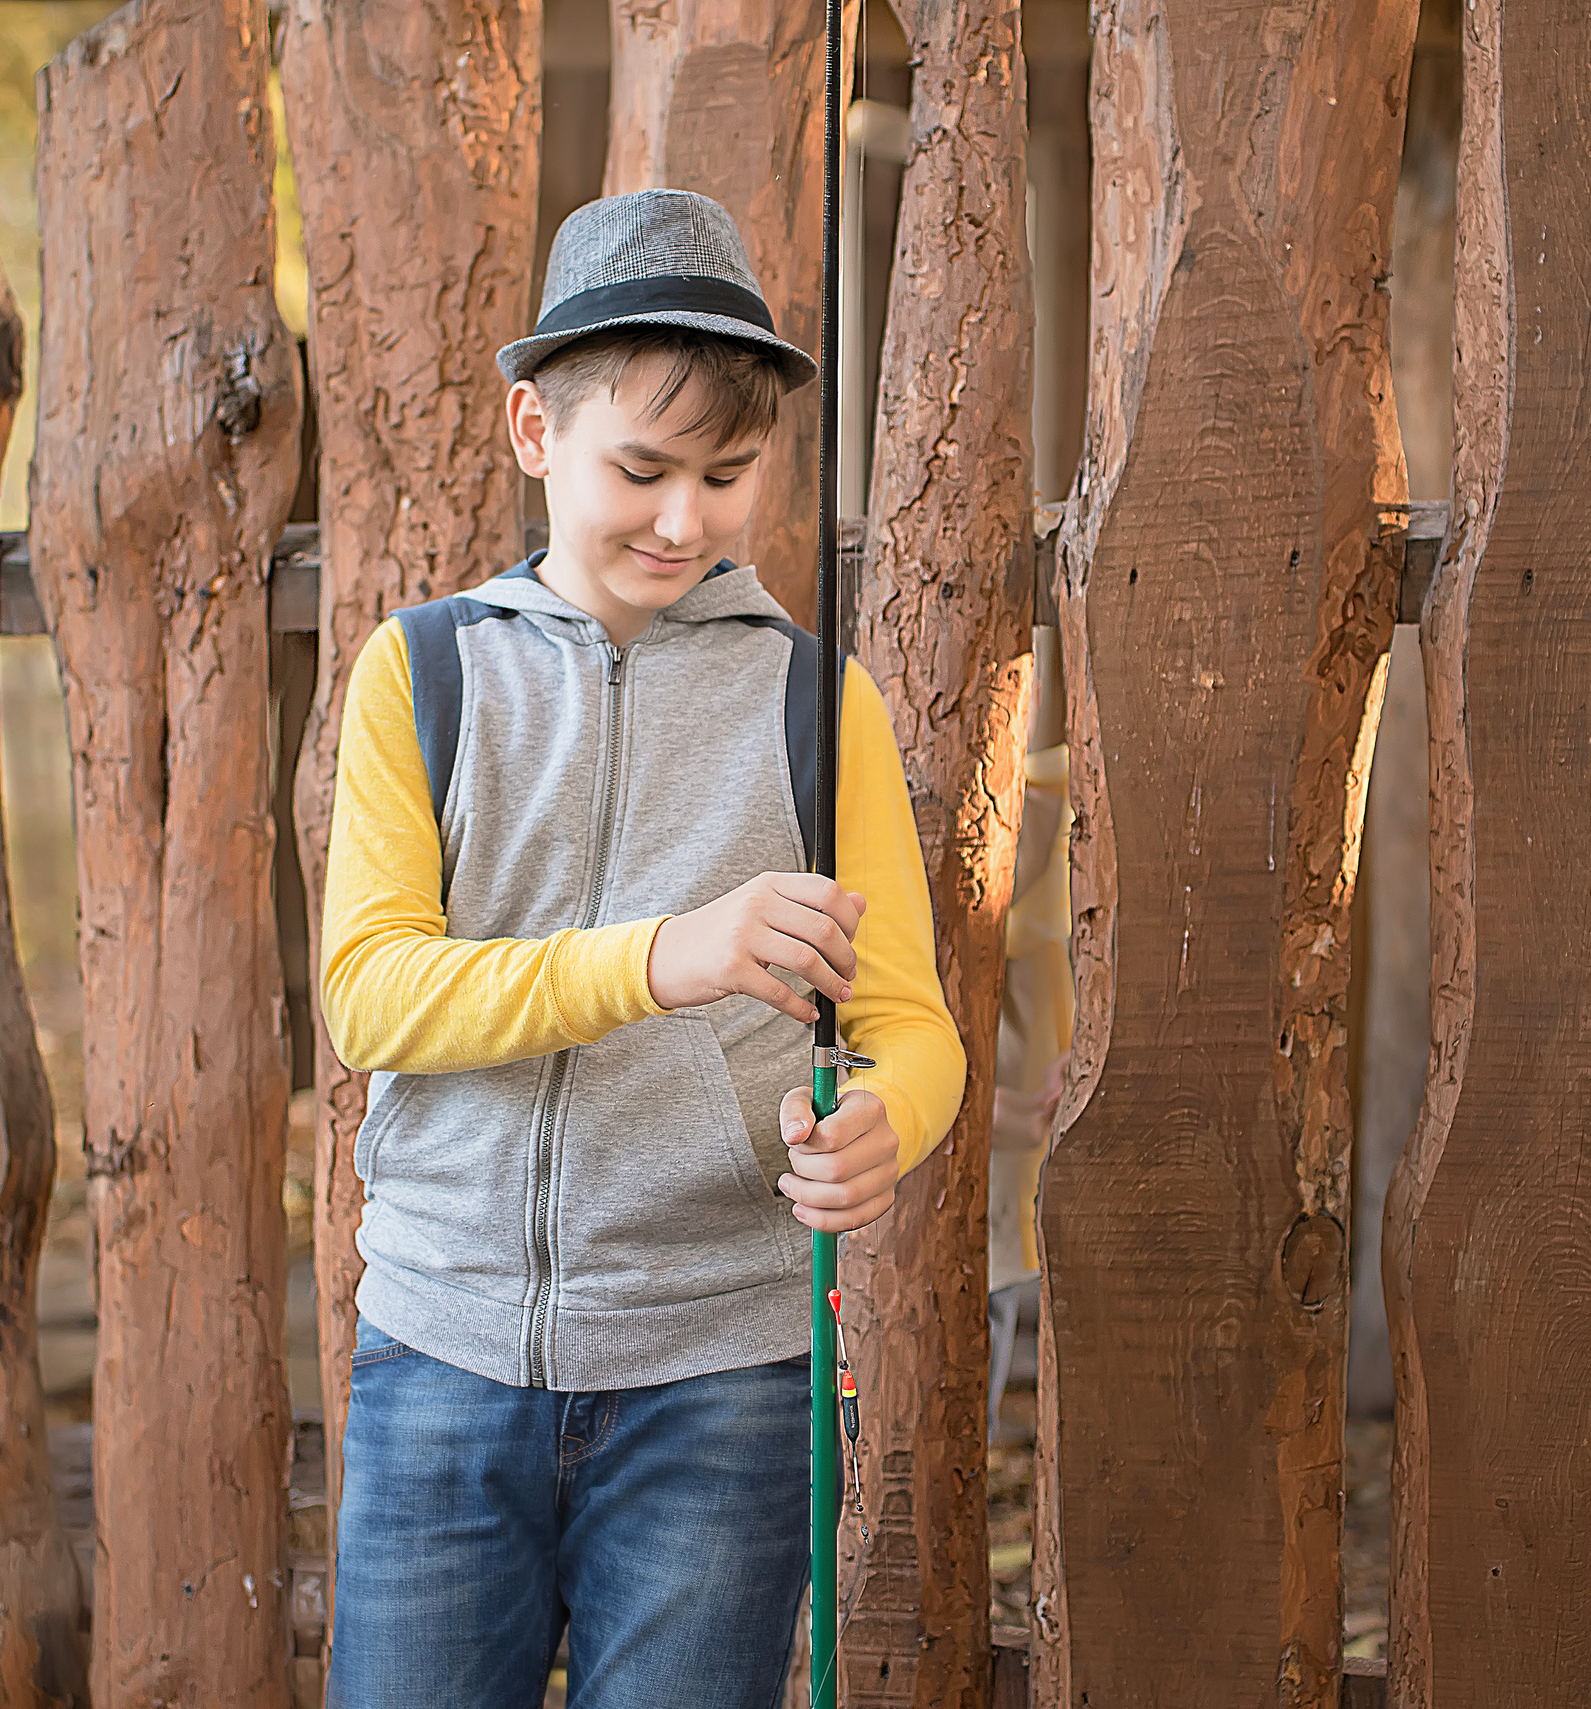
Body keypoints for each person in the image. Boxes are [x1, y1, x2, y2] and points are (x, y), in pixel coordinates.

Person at [315, 188, 967, 1709]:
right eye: (643, 469)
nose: (686, 519)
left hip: (721, 1385)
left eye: (728, 475)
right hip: (441, 1358)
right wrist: (664, 955)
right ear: (537, 434)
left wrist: (885, 1123)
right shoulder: (422, 672)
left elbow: (911, 1024)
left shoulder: (820, 703)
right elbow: (370, 994)